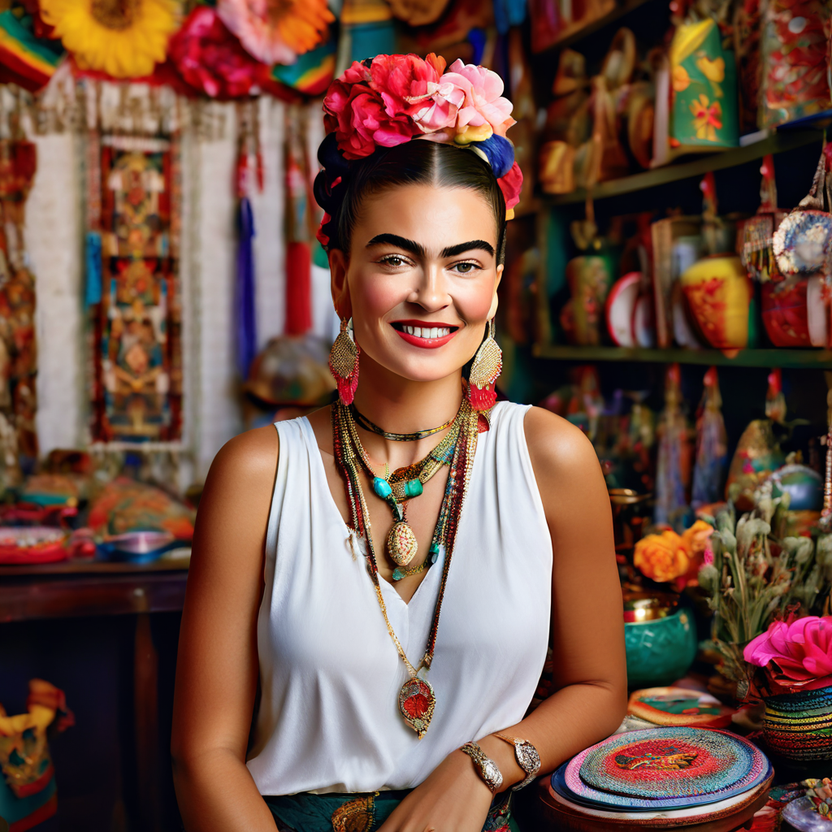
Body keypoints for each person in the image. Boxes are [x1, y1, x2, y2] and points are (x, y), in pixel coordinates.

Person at [171, 53, 627, 832]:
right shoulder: (257, 473)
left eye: (464, 263)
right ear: (342, 278)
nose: (431, 294)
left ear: (495, 282)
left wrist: (479, 768)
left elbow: (599, 689)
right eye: (396, 258)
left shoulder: (551, 458)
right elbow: (204, 753)